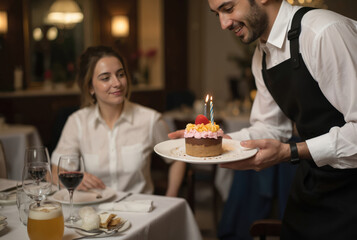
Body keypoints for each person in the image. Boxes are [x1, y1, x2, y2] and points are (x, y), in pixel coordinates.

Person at [170, 0, 357, 238]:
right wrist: (218, 141)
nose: (223, 24)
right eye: (216, 14)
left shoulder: (324, 32)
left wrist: (291, 151)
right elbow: (271, 128)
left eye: (228, 9)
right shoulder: (261, 56)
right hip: (313, 185)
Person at [52, 45, 186, 197]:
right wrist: (73, 179)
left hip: (139, 212)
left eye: (120, 74)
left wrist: (171, 197)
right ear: (90, 87)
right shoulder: (77, 122)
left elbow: (177, 158)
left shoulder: (150, 119)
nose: (117, 83)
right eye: (105, 78)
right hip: (95, 212)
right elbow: (54, 171)